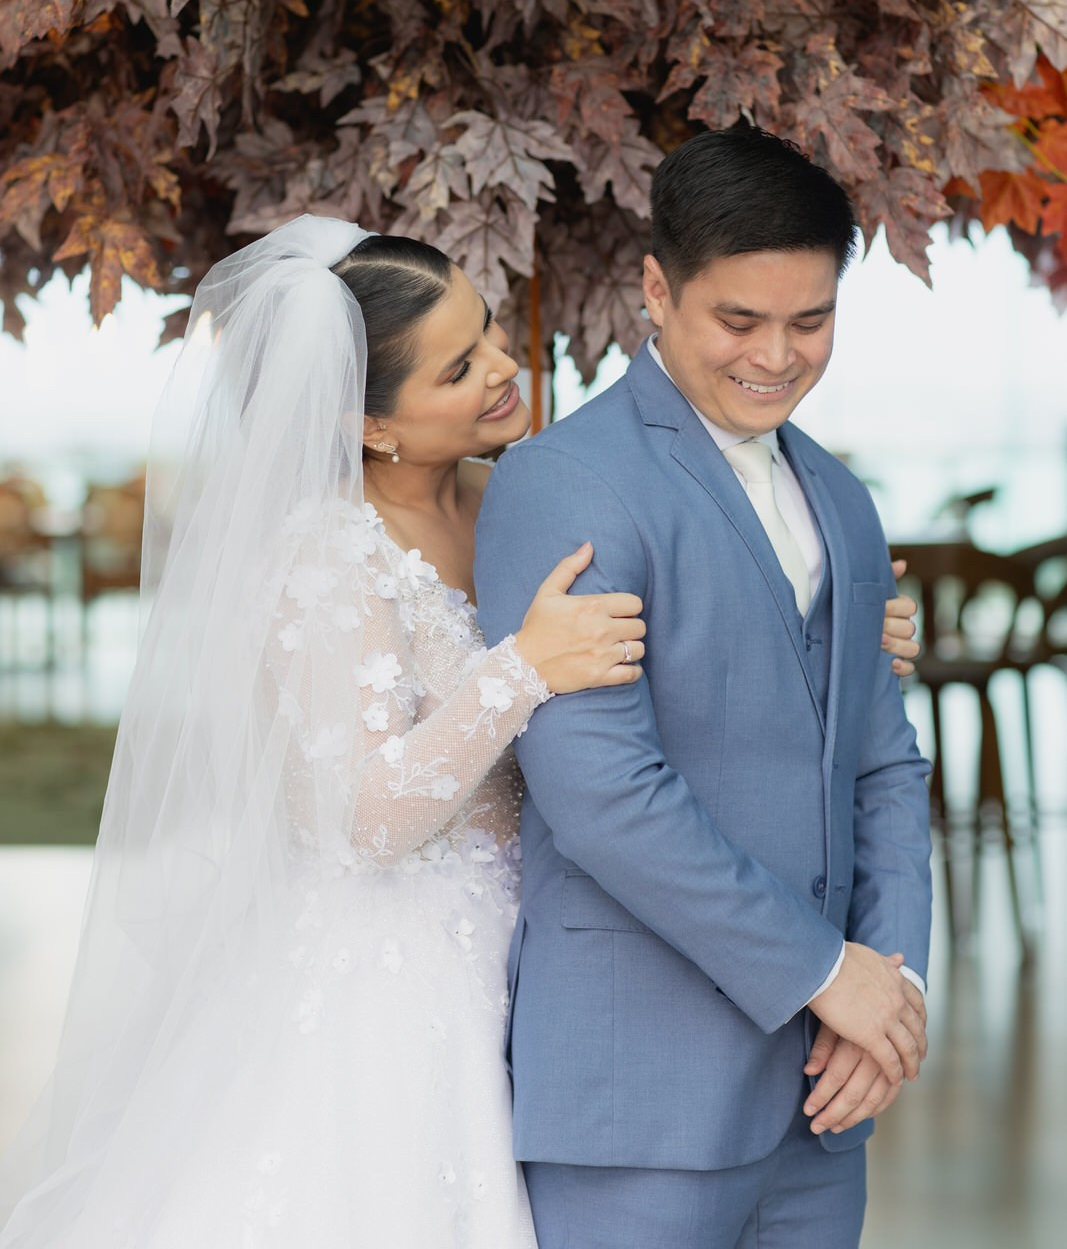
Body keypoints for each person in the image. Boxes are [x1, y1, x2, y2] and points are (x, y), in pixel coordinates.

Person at [0, 212, 920, 1249]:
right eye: (455, 370)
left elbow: (698, 627)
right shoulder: (320, 561)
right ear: (368, 425)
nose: (498, 369)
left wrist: (844, 626)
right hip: (405, 971)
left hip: (552, 944)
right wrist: (518, 670)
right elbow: (362, 815)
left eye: (485, 332)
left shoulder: (521, 494)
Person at [475, 126, 933, 1249]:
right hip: (641, 1093)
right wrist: (825, 972)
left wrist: (888, 991)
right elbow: (602, 793)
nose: (775, 354)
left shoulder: (840, 494)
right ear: (654, 288)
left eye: (809, 320)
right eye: (738, 320)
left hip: (821, 1098)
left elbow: (880, 761)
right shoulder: (565, 481)